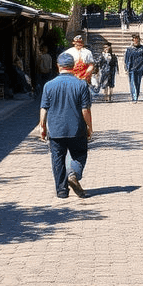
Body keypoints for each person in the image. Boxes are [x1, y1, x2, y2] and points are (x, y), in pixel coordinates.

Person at [39, 51, 93, 198]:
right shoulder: (81, 85)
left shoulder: (49, 85)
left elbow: (44, 108)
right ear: (73, 66)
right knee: (79, 155)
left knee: (57, 159)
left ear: (58, 66)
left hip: (56, 129)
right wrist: (89, 127)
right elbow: (85, 110)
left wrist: (42, 127)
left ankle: (62, 191)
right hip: (77, 128)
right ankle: (73, 173)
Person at [123, 33, 143, 103]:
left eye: (137, 39)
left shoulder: (142, 48)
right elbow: (126, 59)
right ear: (132, 40)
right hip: (132, 69)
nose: (136, 41)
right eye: (134, 39)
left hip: (140, 68)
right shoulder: (129, 49)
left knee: (138, 83)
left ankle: (136, 95)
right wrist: (126, 68)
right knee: (132, 83)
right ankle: (134, 97)